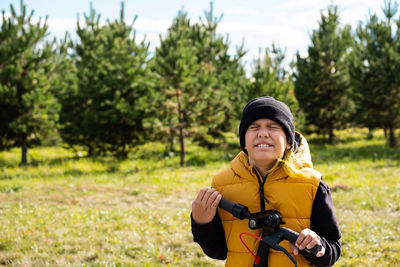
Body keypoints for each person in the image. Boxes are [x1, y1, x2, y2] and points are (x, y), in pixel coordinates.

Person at [191, 96, 341, 266]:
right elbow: (217, 251)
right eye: (254, 127)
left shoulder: (312, 185)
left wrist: (317, 247)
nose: (262, 133)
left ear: (288, 142)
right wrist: (201, 223)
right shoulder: (222, 185)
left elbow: (333, 248)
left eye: (273, 126)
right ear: (244, 142)